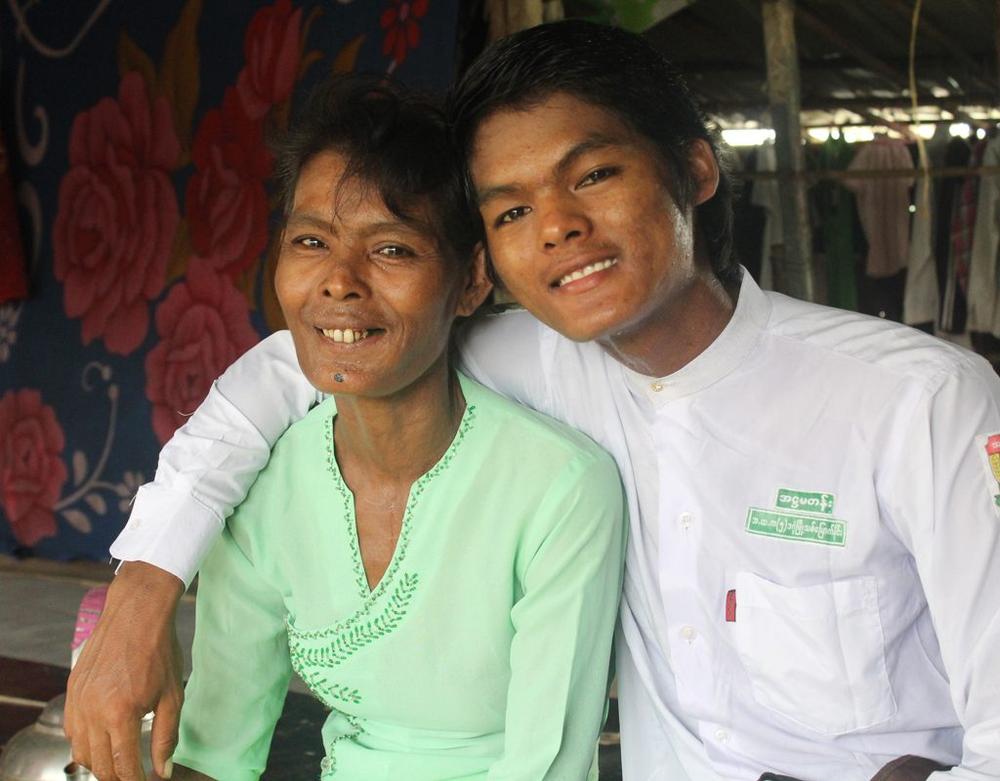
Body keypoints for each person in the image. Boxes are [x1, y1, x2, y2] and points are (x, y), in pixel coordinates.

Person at [67, 19, 1000, 781]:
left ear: (697, 170)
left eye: (593, 174)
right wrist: (144, 587)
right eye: (511, 209)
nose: (557, 227)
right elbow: (298, 362)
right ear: (486, 262)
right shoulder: (537, 357)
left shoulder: (920, 405)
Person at [83, 75, 628, 781]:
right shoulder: (263, 490)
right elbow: (214, 752)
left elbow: (546, 766)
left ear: (469, 281)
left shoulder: (559, 488)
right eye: (311, 240)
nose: (339, 282)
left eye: (392, 249)